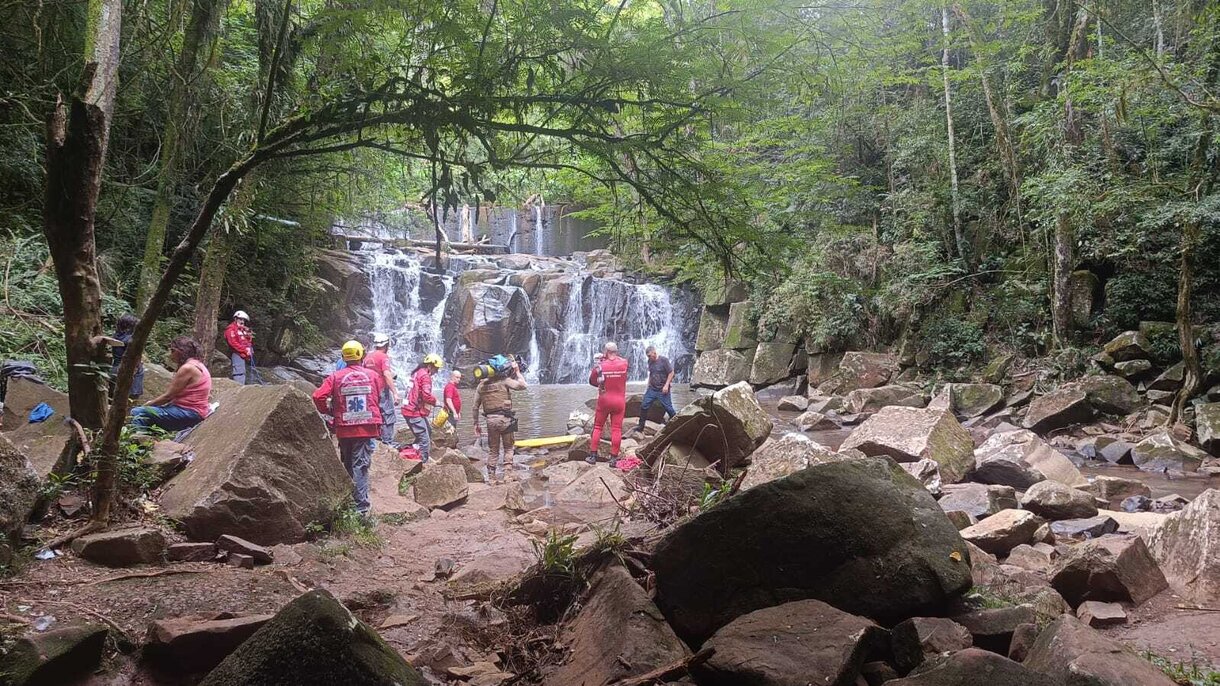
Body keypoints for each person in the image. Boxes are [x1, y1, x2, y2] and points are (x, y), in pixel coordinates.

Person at [312, 341, 383, 517]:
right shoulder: (373, 375)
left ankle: (349, 501)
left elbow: (318, 396)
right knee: (361, 466)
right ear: (361, 355)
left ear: (344, 357)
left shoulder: (335, 377)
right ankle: (361, 508)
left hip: (344, 429)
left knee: (348, 464)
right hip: (366, 428)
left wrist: (328, 411)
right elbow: (377, 397)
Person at [130, 336, 212, 433]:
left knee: (138, 412)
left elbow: (168, 396)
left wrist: (147, 405)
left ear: (181, 351)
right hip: (193, 411)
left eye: (173, 351)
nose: (171, 355)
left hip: (190, 413)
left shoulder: (188, 368)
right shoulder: (198, 364)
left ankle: (138, 439)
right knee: (151, 414)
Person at [473, 360, 527, 483]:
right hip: (505, 419)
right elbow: (523, 385)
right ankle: (507, 475)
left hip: (490, 421)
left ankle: (492, 478)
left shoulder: (481, 386)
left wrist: (476, 424)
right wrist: (517, 372)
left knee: (493, 450)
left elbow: (475, 407)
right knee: (508, 448)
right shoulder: (505, 381)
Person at [588, 341, 629, 465]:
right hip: (619, 401)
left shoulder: (600, 365)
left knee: (598, 427)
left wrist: (600, 361)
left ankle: (593, 457)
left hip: (604, 400)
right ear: (616, 351)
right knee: (616, 429)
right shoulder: (624, 363)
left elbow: (592, 381)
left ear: (605, 352)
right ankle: (613, 459)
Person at [401, 353, 443, 463]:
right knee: (424, 439)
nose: (437, 372)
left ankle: (413, 453)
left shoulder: (417, 373)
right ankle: (423, 462)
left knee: (427, 431)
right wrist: (437, 402)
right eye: (436, 369)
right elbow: (426, 395)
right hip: (413, 411)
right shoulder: (425, 376)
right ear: (429, 366)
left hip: (408, 409)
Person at [363, 333, 399, 445]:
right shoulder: (383, 357)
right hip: (382, 390)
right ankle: (387, 442)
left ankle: (375, 439)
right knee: (388, 414)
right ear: (386, 345)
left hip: (369, 391)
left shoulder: (367, 357)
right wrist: (395, 393)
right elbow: (386, 374)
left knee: (375, 413)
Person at [634, 345, 676, 433]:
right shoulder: (650, 361)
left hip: (662, 389)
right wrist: (648, 385)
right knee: (644, 406)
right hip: (652, 389)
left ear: (654, 352)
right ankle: (640, 426)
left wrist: (666, 385)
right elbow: (651, 373)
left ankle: (677, 426)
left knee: (669, 409)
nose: (649, 357)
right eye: (648, 356)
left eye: (650, 355)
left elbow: (671, 372)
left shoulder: (664, 360)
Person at [107, 313, 144, 399]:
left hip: (114, 368)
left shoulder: (116, 336)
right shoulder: (131, 340)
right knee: (140, 369)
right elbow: (135, 360)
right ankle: (133, 394)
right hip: (125, 370)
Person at [224, 311, 254, 385]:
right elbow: (233, 343)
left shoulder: (243, 330)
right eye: (240, 319)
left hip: (244, 354)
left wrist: (249, 348)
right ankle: (238, 387)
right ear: (235, 319)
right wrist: (244, 350)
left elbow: (247, 341)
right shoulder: (231, 329)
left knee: (242, 371)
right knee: (239, 372)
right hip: (236, 353)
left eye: (243, 320)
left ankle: (241, 385)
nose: (242, 321)